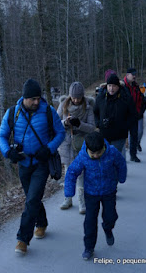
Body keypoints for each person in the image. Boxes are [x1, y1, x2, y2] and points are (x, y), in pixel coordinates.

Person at [0, 78, 65, 255]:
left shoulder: (48, 111)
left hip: (42, 163)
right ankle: (41, 223)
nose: (37, 102)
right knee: (31, 198)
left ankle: (22, 239)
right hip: (23, 164)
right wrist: (8, 152)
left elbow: (61, 133)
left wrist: (49, 148)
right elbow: (2, 136)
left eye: (38, 98)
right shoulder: (13, 113)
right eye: (33, 99)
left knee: (33, 198)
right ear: (24, 98)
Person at [64, 131, 127, 260]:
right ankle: (89, 247)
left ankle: (107, 228)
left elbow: (121, 164)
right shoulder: (83, 156)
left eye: (98, 152)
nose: (96, 155)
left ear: (103, 146)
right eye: (93, 153)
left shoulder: (112, 152)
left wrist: (121, 178)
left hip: (109, 191)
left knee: (111, 216)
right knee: (90, 221)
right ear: (87, 148)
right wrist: (69, 192)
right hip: (91, 193)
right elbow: (71, 172)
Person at [57, 82, 95, 214]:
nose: (76, 100)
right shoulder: (63, 105)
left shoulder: (88, 107)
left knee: (81, 173)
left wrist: (79, 124)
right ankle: (67, 198)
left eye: (78, 98)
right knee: (68, 173)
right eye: (73, 97)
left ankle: (81, 200)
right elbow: (55, 124)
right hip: (67, 143)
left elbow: (91, 127)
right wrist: (65, 123)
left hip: (81, 143)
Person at [94, 74, 138, 156]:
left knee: (114, 157)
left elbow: (133, 115)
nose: (111, 88)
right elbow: (95, 112)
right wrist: (98, 124)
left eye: (114, 86)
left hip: (119, 136)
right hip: (104, 134)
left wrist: (125, 126)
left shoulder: (126, 98)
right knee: (105, 158)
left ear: (118, 86)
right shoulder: (101, 97)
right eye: (109, 85)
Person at [124, 68, 146, 162]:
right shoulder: (122, 86)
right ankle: (121, 158)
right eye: (132, 74)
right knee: (121, 137)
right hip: (124, 116)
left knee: (134, 135)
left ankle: (133, 155)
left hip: (134, 115)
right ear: (127, 75)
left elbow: (141, 100)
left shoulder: (136, 86)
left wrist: (140, 112)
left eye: (135, 74)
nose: (134, 76)